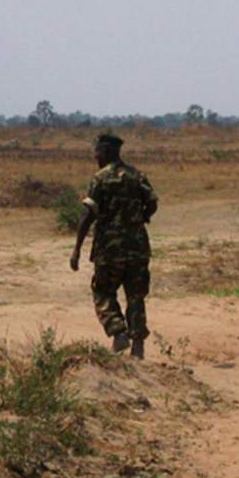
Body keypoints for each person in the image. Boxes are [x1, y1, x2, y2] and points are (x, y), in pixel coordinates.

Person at [70, 134, 158, 357]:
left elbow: (88, 215)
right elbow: (152, 203)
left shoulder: (100, 179)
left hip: (109, 249)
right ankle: (138, 345)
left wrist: (77, 248)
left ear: (108, 152)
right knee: (136, 296)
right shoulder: (137, 176)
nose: (95, 157)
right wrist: (142, 218)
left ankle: (118, 332)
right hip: (138, 248)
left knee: (103, 291)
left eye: (98, 152)